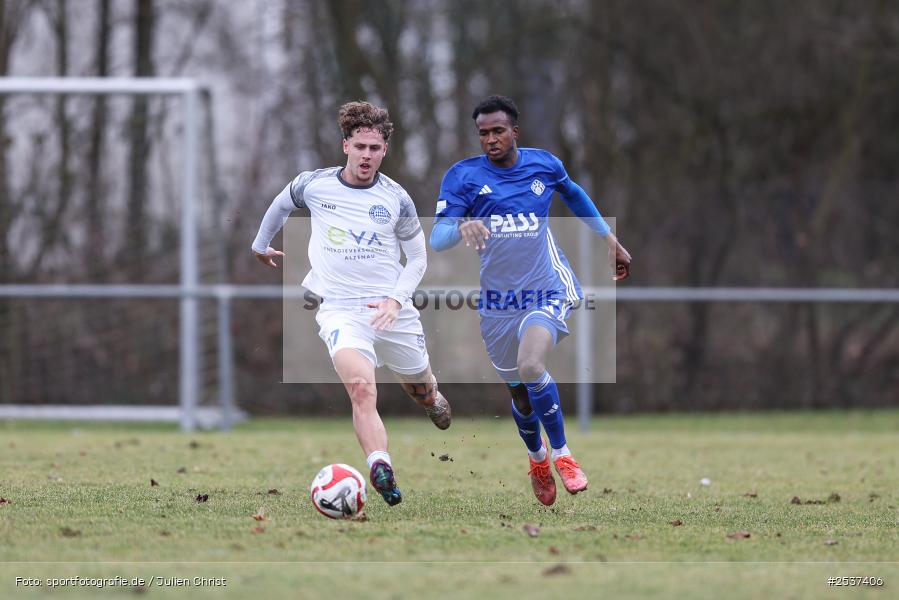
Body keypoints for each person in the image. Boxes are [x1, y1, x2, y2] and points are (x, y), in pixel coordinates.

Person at [430, 95, 631, 506]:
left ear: (514, 131)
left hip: (547, 287)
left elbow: (573, 195)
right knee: (519, 392)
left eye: (498, 131)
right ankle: (537, 458)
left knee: (531, 363)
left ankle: (563, 454)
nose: (490, 140)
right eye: (483, 133)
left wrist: (610, 241)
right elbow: (438, 237)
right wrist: (463, 226)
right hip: (497, 303)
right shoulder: (463, 176)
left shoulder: (544, 164)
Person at [252, 101, 451, 507]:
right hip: (339, 307)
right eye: (359, 146)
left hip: (391, 309)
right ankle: (381, 466)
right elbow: (281, 204)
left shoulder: (397, 198)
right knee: (362, 390)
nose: (366, 155)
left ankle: (432, 397)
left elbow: (417, 258)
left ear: (384, 151)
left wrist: (396, 301)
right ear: (345, 145)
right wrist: (260, 243)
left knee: (424, 392)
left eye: (374, 149)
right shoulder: (315, 184)